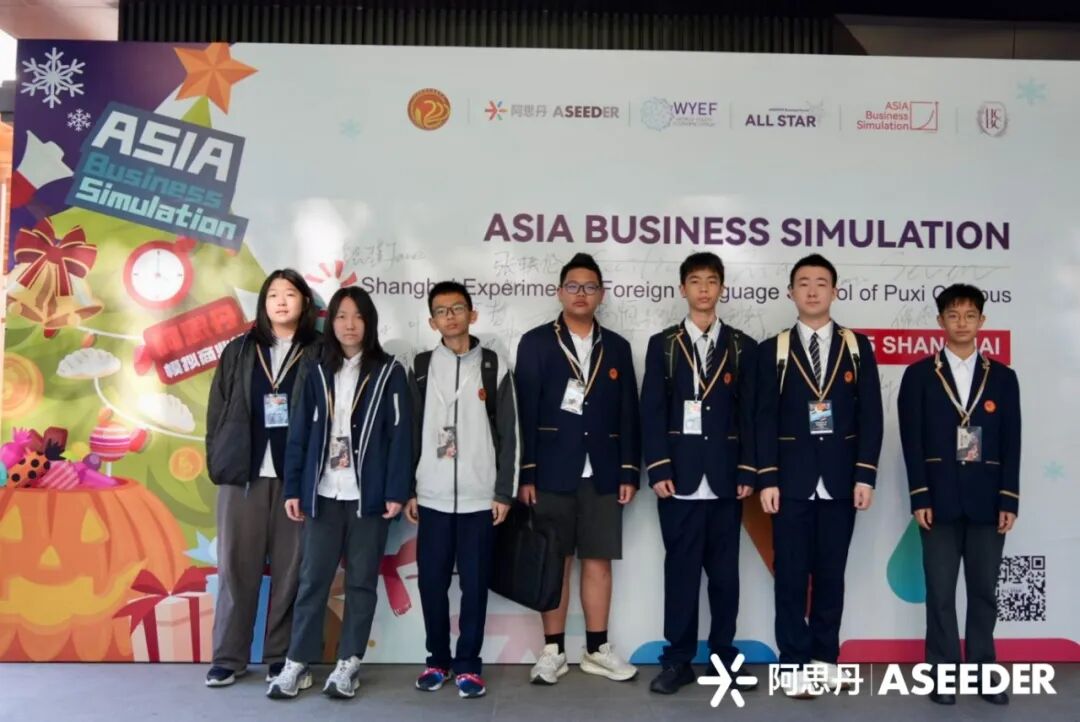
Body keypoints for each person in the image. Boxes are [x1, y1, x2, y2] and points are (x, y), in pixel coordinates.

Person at [268, 287, 413, 700]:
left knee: (362, 583)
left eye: (358, 317)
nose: (350, 325)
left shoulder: (389, 372)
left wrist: (396, 490)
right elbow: (298, 431)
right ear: (330, 322)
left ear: (370, 323)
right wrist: (295, 487)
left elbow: (400, 436)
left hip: (369, 498)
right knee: (313, 580)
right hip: (324, 494)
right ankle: (298, 662)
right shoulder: (315, 369)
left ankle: (348, 663)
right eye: (342, 316)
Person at [754, 254, 883, 698]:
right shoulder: (773, 349)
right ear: (791, 292)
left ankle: (825, 658)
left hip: (841, 481)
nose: (812, 290)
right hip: (790, 483)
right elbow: (763, 419)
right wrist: (768, 478)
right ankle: (792, 662)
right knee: (791, 577)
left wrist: (865, 475)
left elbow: (871, 416)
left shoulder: (857, 347)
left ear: (835, 291)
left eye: (821, 283)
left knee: (831, 574)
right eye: (804, 283)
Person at [515, 252, 642, 684]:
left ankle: (597, 649)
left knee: (598, 560)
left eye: (589, 287)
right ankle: (552, 652)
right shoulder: (536, 342)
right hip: (551, 470)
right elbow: (525, 412)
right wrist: (527, 473)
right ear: (559, 292)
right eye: (573, 286)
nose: (581, 293)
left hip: (603, 471)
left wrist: (628, 471)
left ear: (601, 294)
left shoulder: (617, 346)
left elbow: (628, 413)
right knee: (554, 561)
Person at [639, 252, 759, 695]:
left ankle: (723, 656)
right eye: (695, 281)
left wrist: (749, 467)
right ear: (682, 289)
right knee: (681, 574)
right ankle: (677, 660)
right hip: (679, 480)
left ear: (721, 288)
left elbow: (751, 414)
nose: (704, 289)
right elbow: (652, 411)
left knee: (725, 577)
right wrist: (658, 466)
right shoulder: (664, 344)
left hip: (727, 479)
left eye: (711, 281)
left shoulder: (742, 346)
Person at [897, 283, 1020, 706]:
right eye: (953, 315)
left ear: (982, 321)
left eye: (970, 315)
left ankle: (985, 671)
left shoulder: (1003, 377)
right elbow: (911, 441)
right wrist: (919, 496)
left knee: (984, 591)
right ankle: (943, 673)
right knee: (940, 592)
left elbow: (1012, 441)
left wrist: (1009, 499)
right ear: (940, 321)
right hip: (938, 500)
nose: (962, 323)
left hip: (988, 502)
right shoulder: (919, 375)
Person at [205, 269, 319, 688]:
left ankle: (280, 657)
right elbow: (218, 409)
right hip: (244, 477)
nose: (281, 301)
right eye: (273, 295)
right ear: (263, 303)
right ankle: (228, 657)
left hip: (296, 479)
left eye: (290, 294)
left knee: (292, 571)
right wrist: (220, 459)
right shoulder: (239, 350)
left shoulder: (318, 351)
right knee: (236, 568)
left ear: (305, 302)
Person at [406, 280, 519, 699]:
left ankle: (469, 664)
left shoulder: (493, 365)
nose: (450, 316)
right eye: (441, 310)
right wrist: (409, 488)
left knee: (475, 585)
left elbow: (511, 434)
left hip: (479, 499)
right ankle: (437, 660)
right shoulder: (420, 367)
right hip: (431, 497)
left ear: (472, 314)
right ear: (431, 321)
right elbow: (409, 435)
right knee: (431, 584)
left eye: (457, 308)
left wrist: (503, 492)